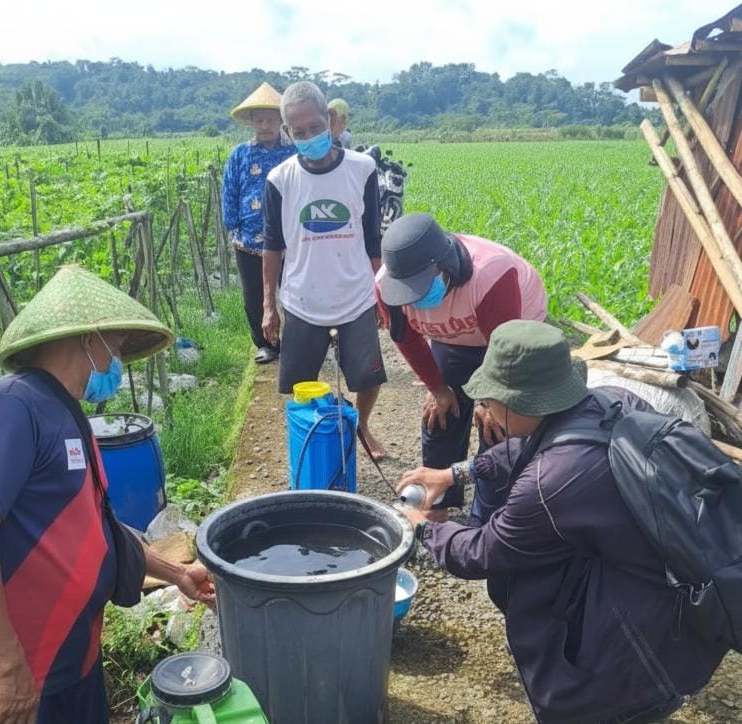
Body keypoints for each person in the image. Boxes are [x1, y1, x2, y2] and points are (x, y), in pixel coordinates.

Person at [397, 320, 727, 724]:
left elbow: (483, 552)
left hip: (641, 646)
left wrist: (424, 527)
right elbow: (532, 445)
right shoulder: (609, 401)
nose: (485, 409)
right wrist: (457, 473)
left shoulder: (548, 485)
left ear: (516, 404)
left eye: (489, 400)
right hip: (673, 591)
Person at [0, 265, 216, 724]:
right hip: (19, 677)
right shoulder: (10, 409)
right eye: (118, 347)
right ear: (90, 339)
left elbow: (94, 529)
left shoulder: (66, 416)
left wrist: (176, 572)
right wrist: (9, 666)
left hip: (73, 664)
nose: (118, 363)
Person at [376, 212, 546, 493]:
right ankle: (437, 500)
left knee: (500, 425)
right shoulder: (387, 286)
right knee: (439, 414)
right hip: (454, 336)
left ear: (446, 266)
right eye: (408, 293)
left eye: (421, 288)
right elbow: (406, 340)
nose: (416, 301)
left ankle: (493, 505)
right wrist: (438, 387)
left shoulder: (491, 274)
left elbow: (505, 349)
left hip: (511, 336)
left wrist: (490, 401)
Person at [261, 81, 387, 459]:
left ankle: (361, 426)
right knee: (300, 385)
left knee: (368, 377)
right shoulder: (280, 180)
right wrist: (270, 305)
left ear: (330, 121)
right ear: (287, 133)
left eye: (315, 128)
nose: (308, 137)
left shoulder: (362, 169)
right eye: (298, 133)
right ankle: (312, 441)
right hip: (302, 299)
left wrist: (381, 293)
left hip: (356, 295)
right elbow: (271, 247)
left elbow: (372, 240)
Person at [222, 82, 296, 364]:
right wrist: (233, 225)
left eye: (270, 118)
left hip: (288, 239)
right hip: (249, 239)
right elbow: (230, 191)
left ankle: (295, 342)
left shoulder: (293, 153)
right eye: (259, 119)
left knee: (292, 292)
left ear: (280, 120)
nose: (265, 125)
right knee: (254, 296)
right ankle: (266, 344)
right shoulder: (240, 155)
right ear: (252, 122)